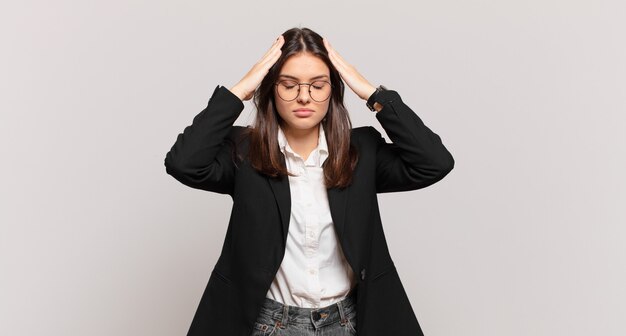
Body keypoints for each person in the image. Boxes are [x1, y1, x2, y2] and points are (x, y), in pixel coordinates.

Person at [164, 27, 454, 336]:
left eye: (318, 85)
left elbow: (434, 162)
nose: (304, 96)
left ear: (333, 91)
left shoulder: (361, 152)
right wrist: (240, 91)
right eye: (288, 85)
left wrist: (371, 93)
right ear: (271, 88)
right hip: (267, 324)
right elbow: (183, 163)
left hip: (347, 323)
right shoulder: (245, 152)